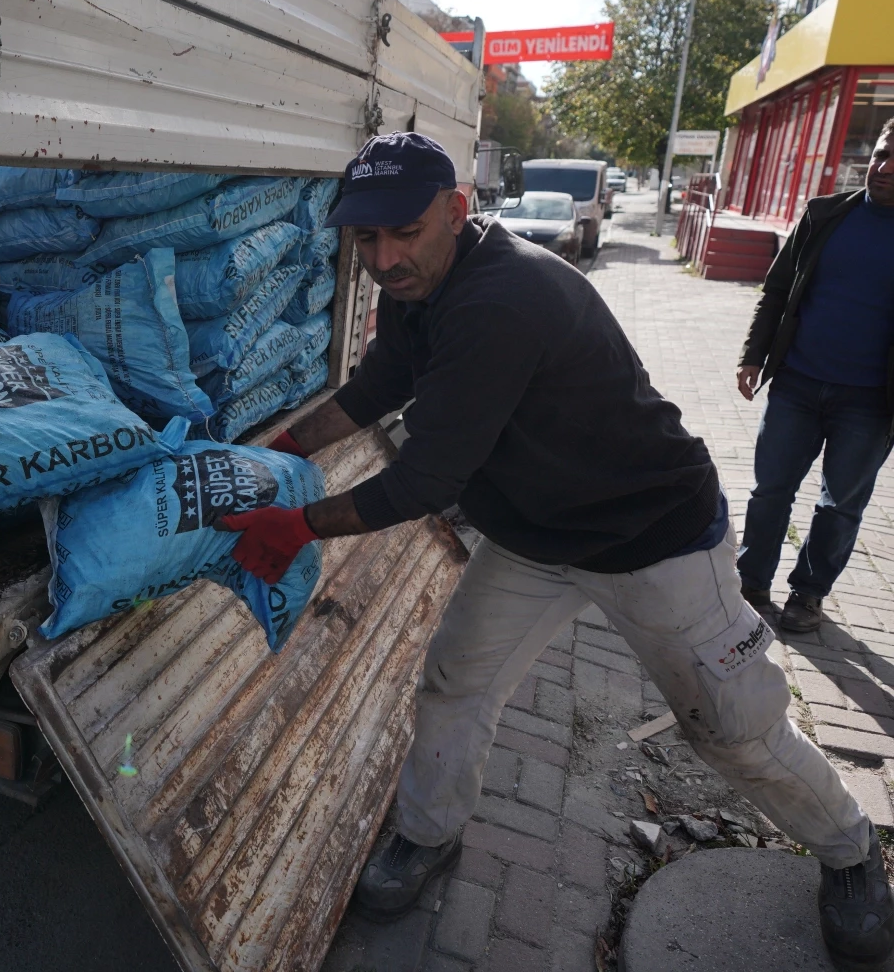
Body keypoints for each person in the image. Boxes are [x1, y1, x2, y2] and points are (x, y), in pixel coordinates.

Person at [215, 132, 891, 968]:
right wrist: (283, 448)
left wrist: (297, 524)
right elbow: (378, 386)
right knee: (456, 680)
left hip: (654, 537)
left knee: (731, 728)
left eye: (404, 233)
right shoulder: (415, 284)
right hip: (538, 536)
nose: (385, 258)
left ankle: (851, 852)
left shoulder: (501, 300)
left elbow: (423, 482)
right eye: (366, 239)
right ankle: (428, 836)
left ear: (457, 213)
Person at [735, 118, 894, 634]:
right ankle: (749, 581)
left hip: (871, 401)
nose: (885, 169)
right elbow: (777, 290)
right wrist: (752, 356)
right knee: (769, 491)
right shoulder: (825, 215)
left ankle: (807, 593)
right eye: (881, 154)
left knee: (841, 505)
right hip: (797, 383)